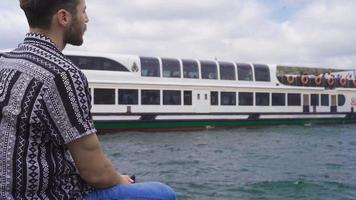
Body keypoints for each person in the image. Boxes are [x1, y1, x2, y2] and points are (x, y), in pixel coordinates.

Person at [0, 0, 176, 199]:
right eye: (83, 11)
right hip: (47, 194)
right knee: (162, 193)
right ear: (64, 18)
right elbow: (95, 173)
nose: (87, 18)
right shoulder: (63, 75)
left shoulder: (5, 61)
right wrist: (119, 179)